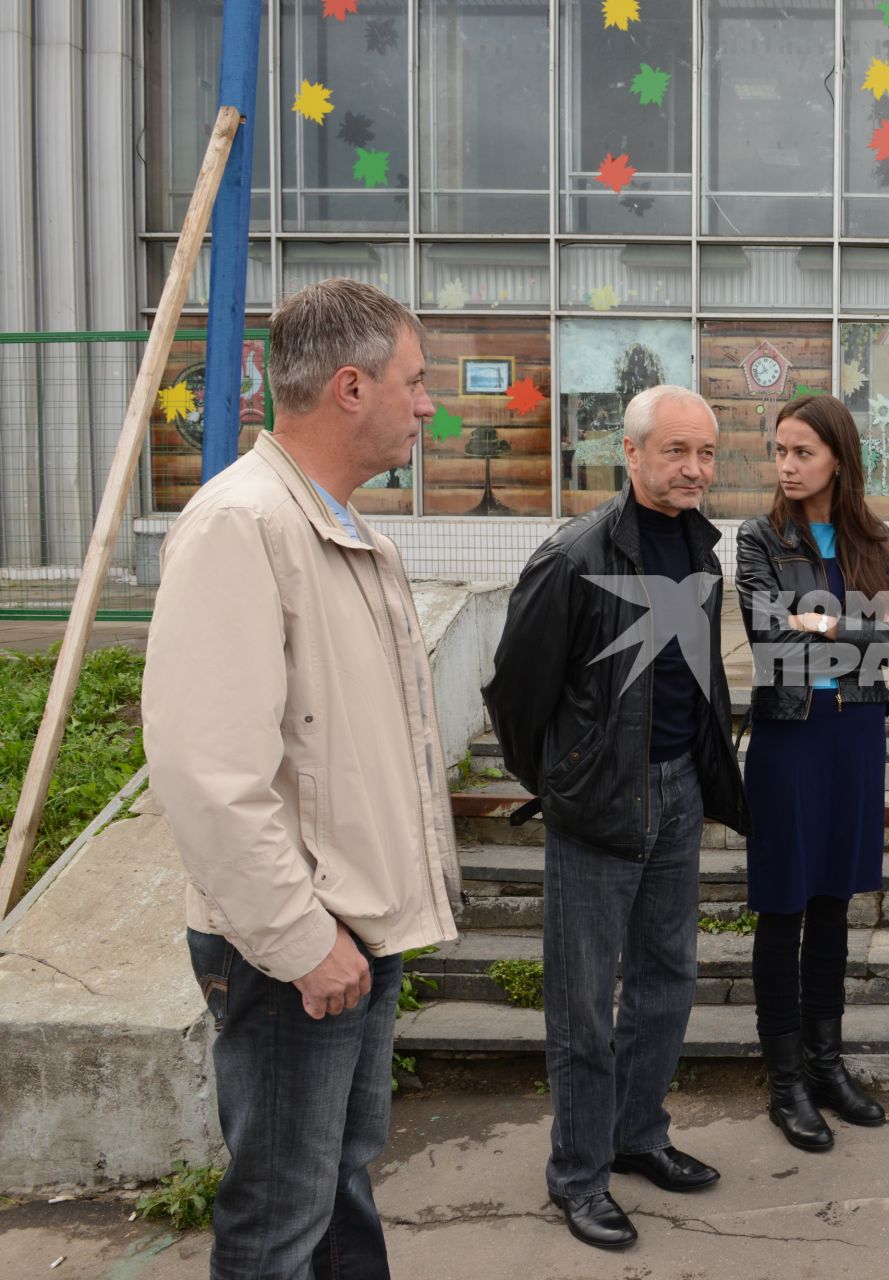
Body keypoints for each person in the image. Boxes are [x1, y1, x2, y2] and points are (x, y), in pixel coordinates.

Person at [145, 277, 461, 1278]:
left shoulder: (349, 531)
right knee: (282, 1213)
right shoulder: (243, 525)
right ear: (351, 387)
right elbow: (208, 774)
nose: (429, 404)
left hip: (352, 930)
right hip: (298, 950)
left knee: (335, 1189)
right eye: (415, 382)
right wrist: (299, 938)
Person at [483, 385, 751, 1252]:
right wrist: (565, 779)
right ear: (630, 454)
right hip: (598, 806)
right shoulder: (573, 557)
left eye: (705, 453)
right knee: (582, 1007)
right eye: (676, 451)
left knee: (667, 981)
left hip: (677, 795)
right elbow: (514, 696)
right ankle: (578, 1175)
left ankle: (639, 1138)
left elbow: (695, 676)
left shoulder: (704, 553)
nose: (694, 469)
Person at [735, 394, 889, 1152]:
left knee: (835, 902)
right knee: (783, 908)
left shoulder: (873, 540)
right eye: (779, 450)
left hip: (854, 734)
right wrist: (846, 633)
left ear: (838, 458)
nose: (786, 464)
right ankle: (784, 1083)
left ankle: (826, 1065)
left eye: (802, 451)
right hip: (789, 736)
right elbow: (768, 637)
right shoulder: (756, 538)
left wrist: (830, 623)